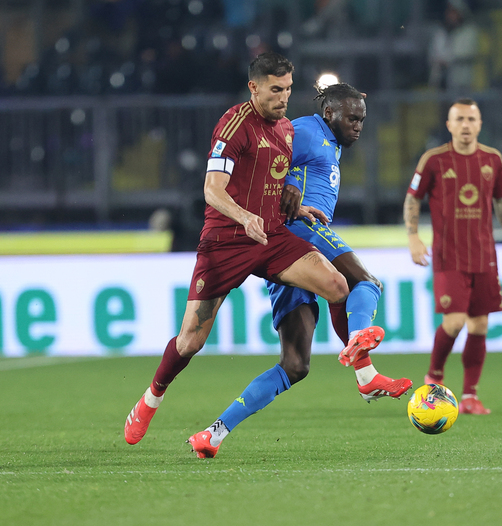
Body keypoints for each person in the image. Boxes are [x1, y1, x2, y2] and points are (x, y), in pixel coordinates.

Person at [123, 52, 350, 457]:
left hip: (270, 237)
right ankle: (152, 397)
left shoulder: (284, 129)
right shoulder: (234, 126)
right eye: (275, 90)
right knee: (190, 342)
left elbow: (268, 181)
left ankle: (362, 372)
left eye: (288, 90)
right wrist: (245, 217)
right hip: (226, 240)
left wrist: (294, 206)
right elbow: (213, 189)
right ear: (254, 87)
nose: (283, 98)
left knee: (336, 284)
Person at [267, 82, 412, 403]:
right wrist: (288, 185)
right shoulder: (305, 130)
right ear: (329, 113)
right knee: (367, 283)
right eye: (352, 120)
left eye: (361, 120)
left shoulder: (330, 141)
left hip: (287, 250)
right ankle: (361, 346)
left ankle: (213, 432)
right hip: (301, 229)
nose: (358, 127)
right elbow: (267, 160)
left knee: (295, 365)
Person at [403, 98, 502, 415]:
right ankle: (433, 380)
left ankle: (470, 395)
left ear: (480, 124)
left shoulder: (493, 160)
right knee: (454, 323)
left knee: (480, 325)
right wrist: (413, 236)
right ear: (449, 125)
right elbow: (412, 200)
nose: (466, 125)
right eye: (460, 119)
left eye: (472, 119)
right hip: (448, 255)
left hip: (484, 255)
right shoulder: (434, 160)